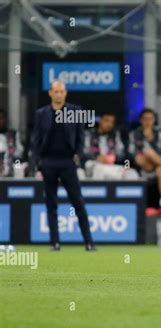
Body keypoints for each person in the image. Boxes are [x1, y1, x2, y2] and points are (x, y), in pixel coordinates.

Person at [31, 81, 96, 251]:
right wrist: (37, 162)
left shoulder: (75, 111)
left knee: (78, 202)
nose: (59, 94)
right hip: (48, 162)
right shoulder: (41, 114)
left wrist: (78, 156)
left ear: (65, 93)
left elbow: (81, 137)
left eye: (61, 91)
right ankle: (55, 242)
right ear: (50, 93)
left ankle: (89, 242)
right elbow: (36, 140)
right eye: (56, 91)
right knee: (51, 203)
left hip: (68, 162)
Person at [128, 109, 161, 211]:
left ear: (154, 120)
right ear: (140, 120)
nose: (148, 121)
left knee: (160, 168)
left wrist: (150, 139)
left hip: (159, 163)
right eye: (145, 119)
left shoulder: (160, 132)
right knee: (146, 153)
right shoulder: (134, 134)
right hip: (144, 165)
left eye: (150, 119)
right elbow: (132, 153)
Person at [83, 113, 138, 180]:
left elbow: (122, 153)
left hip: (111, 166)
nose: (109, 124)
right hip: (93, 164)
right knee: (99, 169)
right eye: (107, 121)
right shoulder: (89, 134)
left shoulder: (115, 136)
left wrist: (115, 157)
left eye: (112, 122)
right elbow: (83, 152)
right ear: (100, 120)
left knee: (132, 173)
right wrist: (97, 157)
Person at [0, 109, 25, 177]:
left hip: (11, 166)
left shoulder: (12, 134)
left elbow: (19, 153)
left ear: (5, 119)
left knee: (19, 168)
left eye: (1, 118)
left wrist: (18, 170)